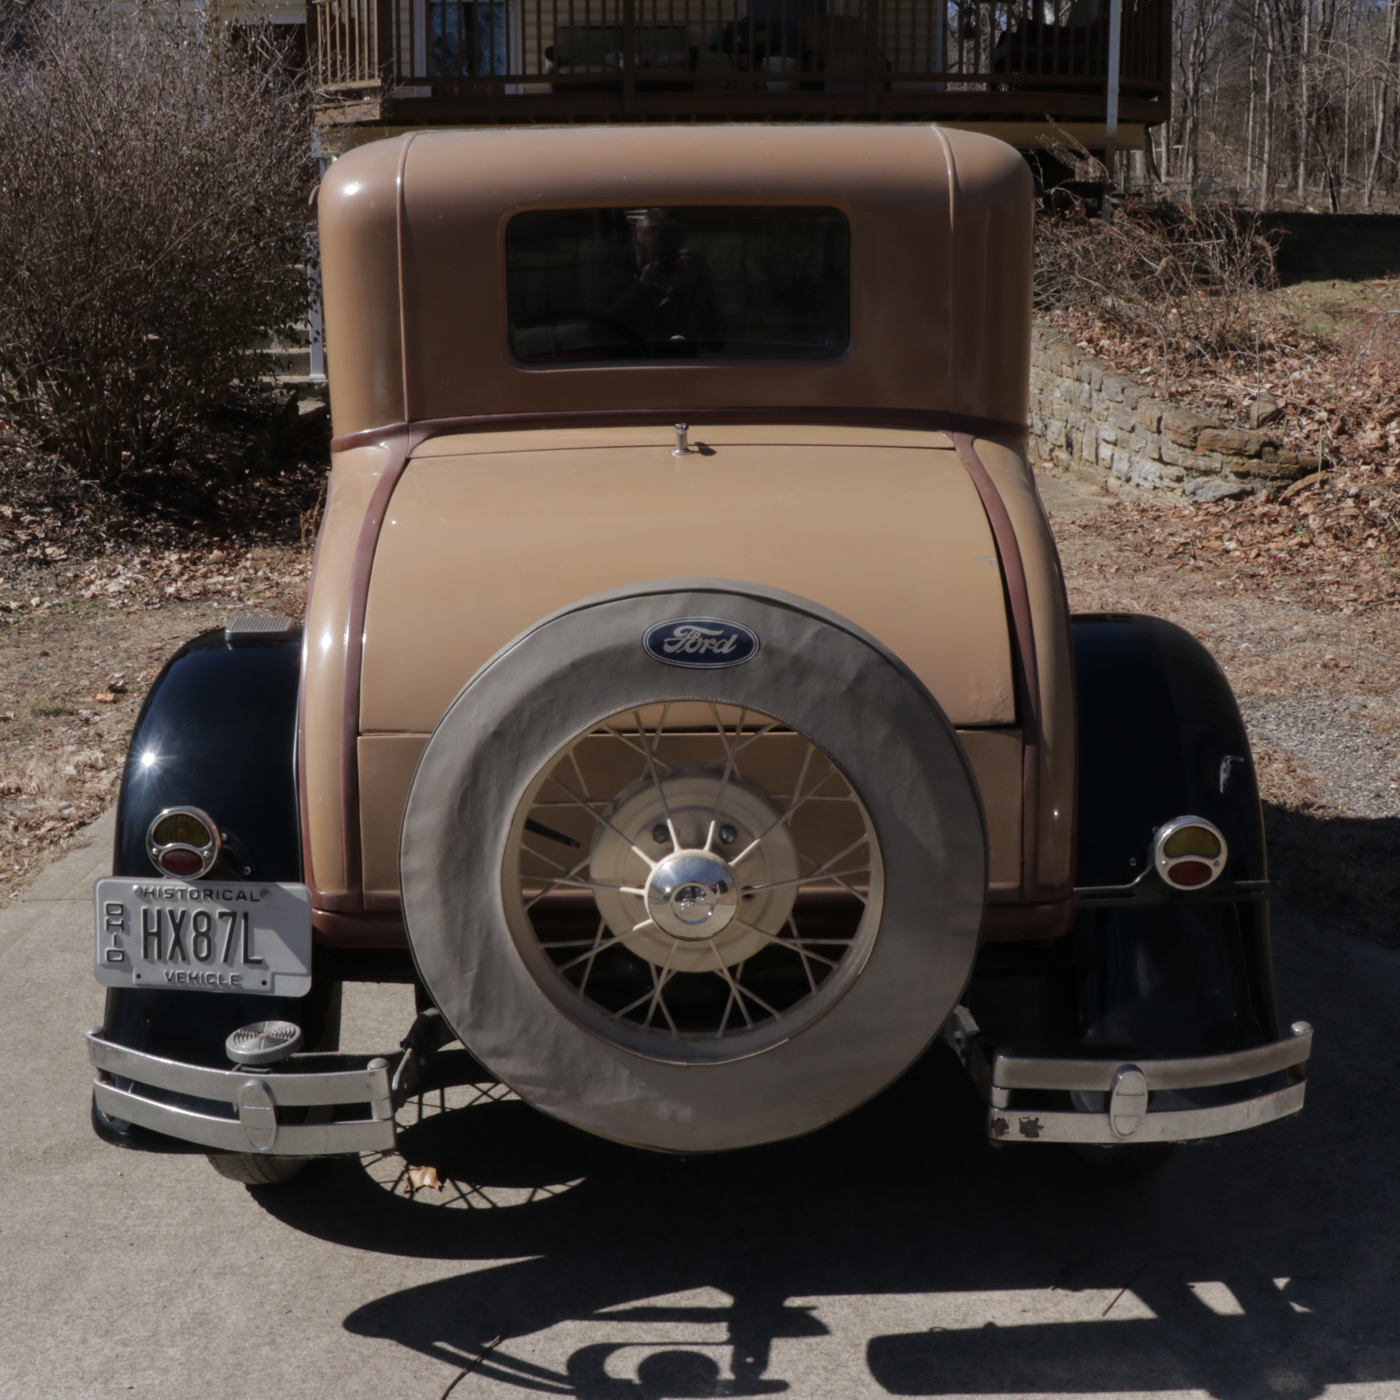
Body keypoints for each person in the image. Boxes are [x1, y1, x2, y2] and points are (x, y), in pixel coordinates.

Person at [607, 210, 723, 354]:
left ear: (680, 242)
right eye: (647, 248)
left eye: (667, 251)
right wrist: (643, 287)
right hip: (630, 359)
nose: (655, 260)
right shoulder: (614, 264)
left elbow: (716, 341)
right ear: (634, 235)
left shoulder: (690, 267)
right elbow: (604, 333)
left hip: (681, 360)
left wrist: (691, 288)